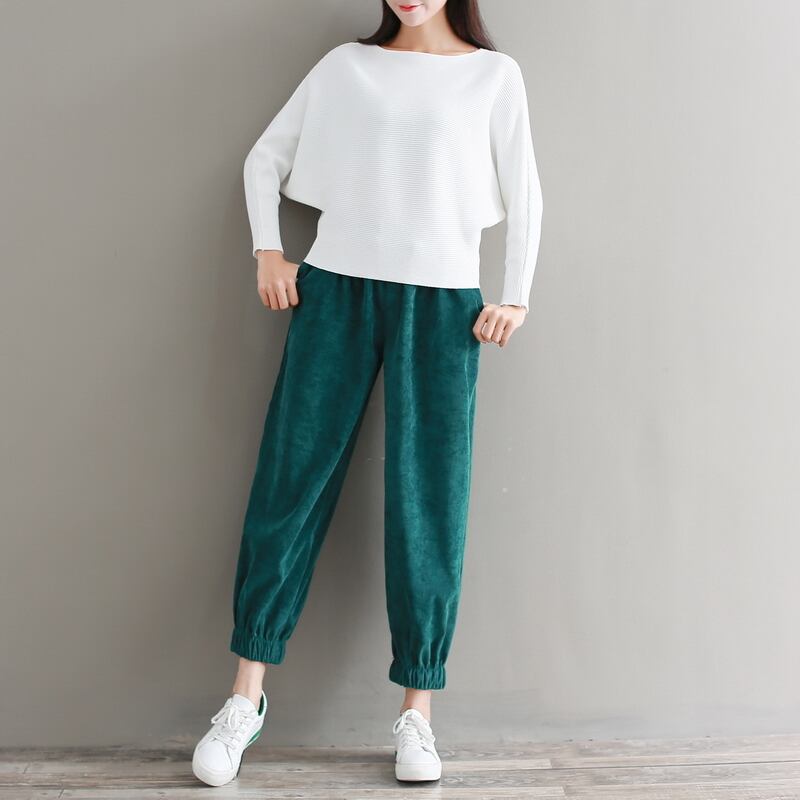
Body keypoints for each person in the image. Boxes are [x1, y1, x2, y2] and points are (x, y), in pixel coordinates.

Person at [192, 0, 543, 787]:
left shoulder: (494, 77)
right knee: (291, 481)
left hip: (444, 306)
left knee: (429, 498)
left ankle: (419, 712)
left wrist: (515, 294)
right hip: (336, 291)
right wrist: (268, 251)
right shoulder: (347, 67)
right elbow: (263, 160)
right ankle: (245, 697)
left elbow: (525, 190)